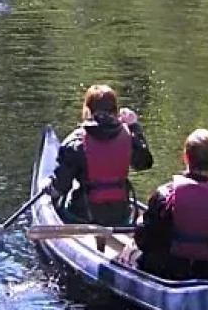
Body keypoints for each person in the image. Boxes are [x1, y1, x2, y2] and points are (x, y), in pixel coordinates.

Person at [130, 128, 208, 281]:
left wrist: (139, 223)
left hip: (164, 272)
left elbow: (144, 241)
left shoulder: (164, 195)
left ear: (185, 157)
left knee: (130, 251)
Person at [42, 84, 153, 227]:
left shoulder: (75, 142)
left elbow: (60, 187)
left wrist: (47, 187)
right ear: (115, 111)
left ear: (88, 111)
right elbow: (144, 163)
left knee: (63, 201)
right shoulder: (128, 136)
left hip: (83, 215)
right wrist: (134, 126)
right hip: (120, 214)